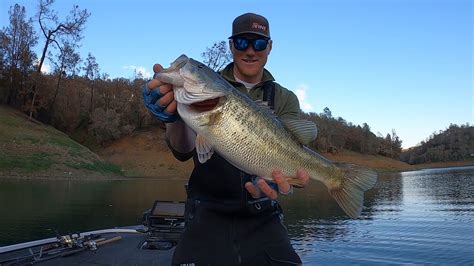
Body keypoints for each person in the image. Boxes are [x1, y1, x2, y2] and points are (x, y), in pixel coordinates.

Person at [144, 12, 310, 266]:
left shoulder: (285, 98)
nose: (251, 51)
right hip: (205, 213)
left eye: (259, 43)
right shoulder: (207, 91)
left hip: (263, 216)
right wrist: (173, 118)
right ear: (231, 45)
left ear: (270, 47)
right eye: (242, 42)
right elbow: (182, 150)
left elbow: (293, 159)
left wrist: (279, 182)